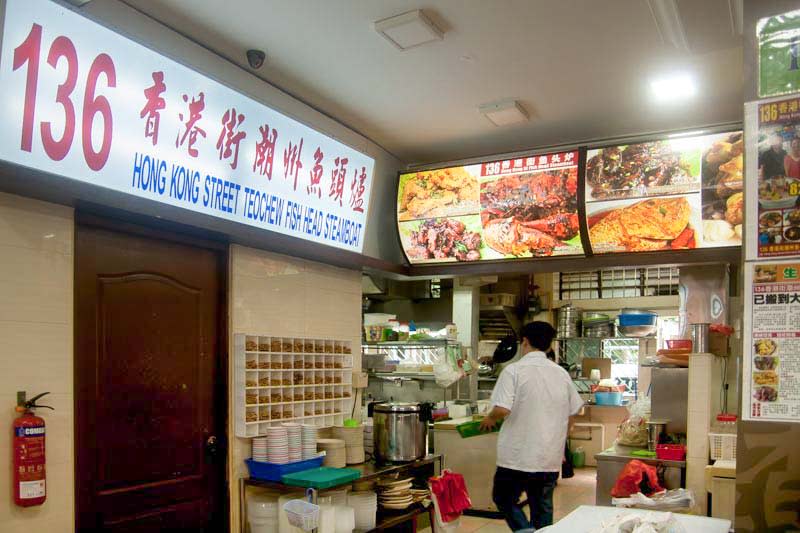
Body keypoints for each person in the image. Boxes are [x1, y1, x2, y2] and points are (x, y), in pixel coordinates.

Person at [479, 321, 583, 531]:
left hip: (517, 456)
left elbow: (502, 409)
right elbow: (575, 411)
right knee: (542, 507)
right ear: (548, 345)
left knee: (503, 498)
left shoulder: (513, 371)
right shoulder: (560, 373)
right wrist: (560, 441)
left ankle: (524, 531)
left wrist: (490, 418)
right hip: (548, 456)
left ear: (524, 342)